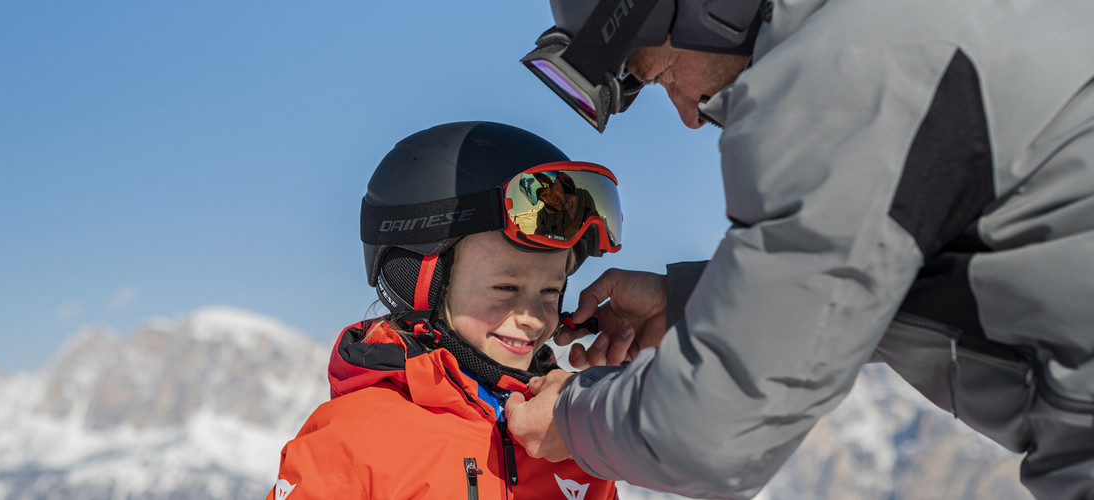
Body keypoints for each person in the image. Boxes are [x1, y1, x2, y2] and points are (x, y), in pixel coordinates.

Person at [506, 1, 1094, 499]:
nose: (689, 113)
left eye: (661, 75)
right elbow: (916, 258)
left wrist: (570, 417)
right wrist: (692, 304)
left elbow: (711, 435)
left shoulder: (840, 75)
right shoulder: (900, 30)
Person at [264, 121, 624, 499]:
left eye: (551, 291)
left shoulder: (569, 438)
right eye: (505, 288)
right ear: (420, 283)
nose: (533, 317)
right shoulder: (353, 442)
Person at [533, 172, 601, 242]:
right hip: (556, 251)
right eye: (545, 195)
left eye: (553, 187)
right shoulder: (543, 216)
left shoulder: (582, 197)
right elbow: (539, 242)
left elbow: (596, 226)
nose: (553, 199)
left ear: (561, 182)